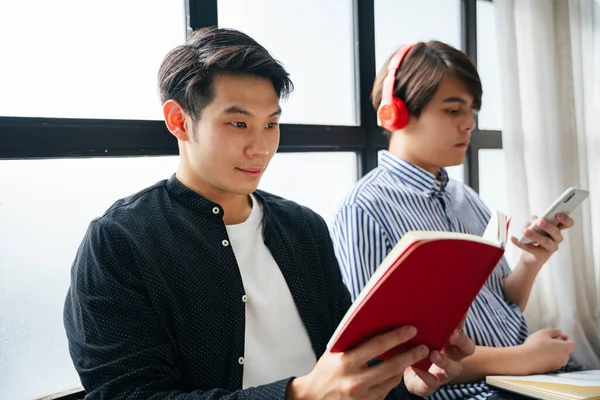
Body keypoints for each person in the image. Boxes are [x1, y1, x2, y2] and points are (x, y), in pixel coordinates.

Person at [63, 27, 476, 400]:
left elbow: (348, 372)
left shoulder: (303, 228)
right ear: (179, 120)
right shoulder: (120, 242)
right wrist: (299, 395)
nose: (260, 148)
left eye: (271, 124)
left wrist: (406, 382)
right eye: (238, 125)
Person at [330, 41, 578, 400]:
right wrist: (524, 358)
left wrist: (531, 260)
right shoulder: (364, 209)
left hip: (526, 380)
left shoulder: (465, 198)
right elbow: (378, 354)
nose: (469, 124)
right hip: (472, 392)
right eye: (452, 110)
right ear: (394, 114)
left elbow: (498, 303)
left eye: (471, 110)